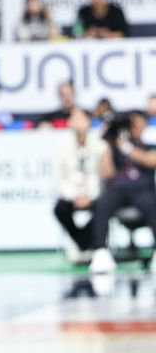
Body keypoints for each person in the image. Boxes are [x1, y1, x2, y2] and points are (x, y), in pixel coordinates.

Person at [90, 111, 156, 274]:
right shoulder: (114, 147)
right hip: (117, 191)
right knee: (102, 202)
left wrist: (125, 146)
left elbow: (150, 160)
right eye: (131, 122)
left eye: (138, 122)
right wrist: (109, 142)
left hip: (142, 191)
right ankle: (101, 252)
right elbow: (106, 173)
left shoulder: (148, 146)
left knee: (152, 203)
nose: (133, 126)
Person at [53, 107, 106, 263]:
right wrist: (74, 196)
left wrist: (90, 196)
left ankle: (93, 245)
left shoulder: (100, 145)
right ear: (69, 123)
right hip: (72, 194)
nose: (78, 123)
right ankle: (82, 242)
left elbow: (103, 175)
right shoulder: (62, 148)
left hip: (94, 193)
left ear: (88, 121)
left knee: (105, 208)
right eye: (74, 119)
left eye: (81, 119)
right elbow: (58, 177)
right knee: (60, 209)